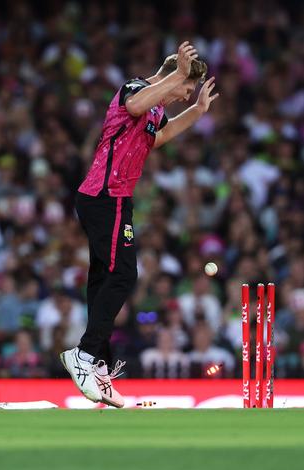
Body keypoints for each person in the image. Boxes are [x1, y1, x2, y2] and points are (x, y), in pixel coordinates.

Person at [61, 41, 219, 407]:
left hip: (109, 198)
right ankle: (84, 355)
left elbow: (159, 136)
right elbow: (135, 105)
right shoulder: (134, 89)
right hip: (106, 196)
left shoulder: (156, 108)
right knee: (123, 276)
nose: (183, 95)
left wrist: (196, 111)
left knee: (103, 278)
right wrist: (179, 74)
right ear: (171, 75)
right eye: (185, 89)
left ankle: (97, 365)